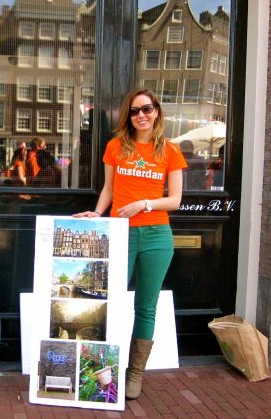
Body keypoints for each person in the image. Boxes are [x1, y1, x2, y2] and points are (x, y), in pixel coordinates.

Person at [73, 88, 187, 399]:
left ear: (157, 112)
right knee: (107, 304)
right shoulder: (116, 147)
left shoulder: (170, 151)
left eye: (147, 109)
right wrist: (97, 213)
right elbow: (109, 188)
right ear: (128, 116)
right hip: (119, 233)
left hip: (156, 236)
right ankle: (102, 371)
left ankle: (134, 374)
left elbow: (175, 200)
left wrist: (145, 204)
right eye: (135, 111)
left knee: (145, 308)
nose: (141, 115)